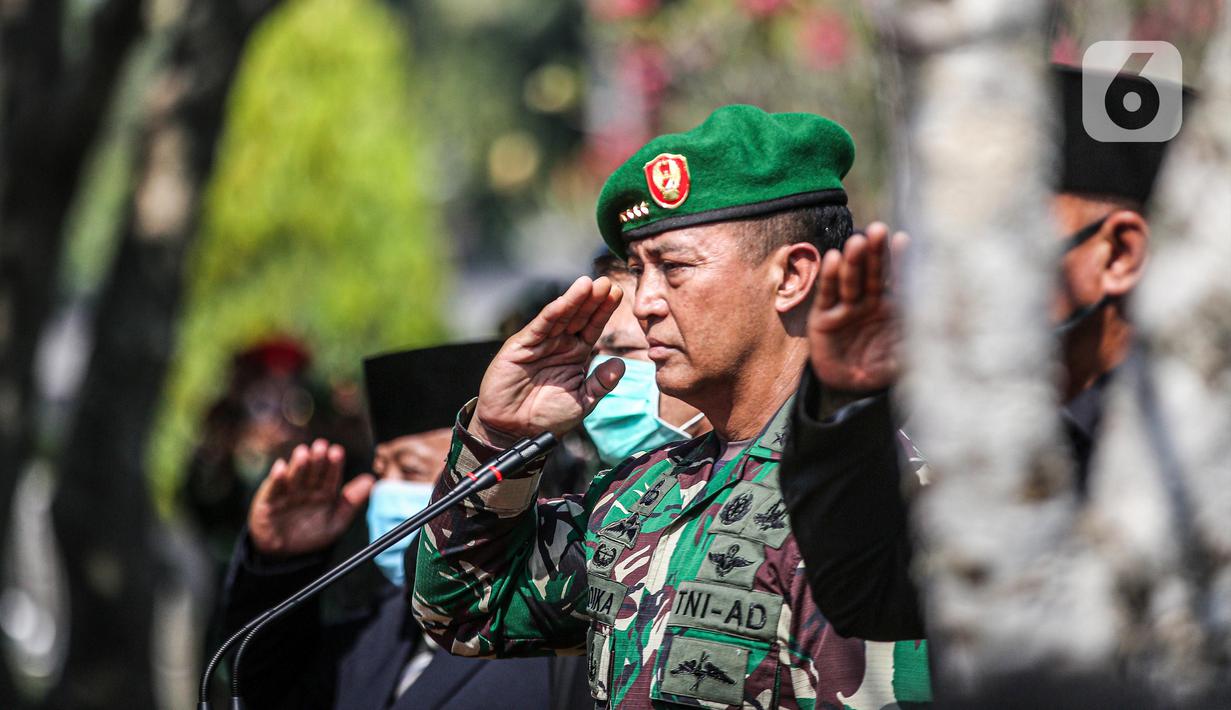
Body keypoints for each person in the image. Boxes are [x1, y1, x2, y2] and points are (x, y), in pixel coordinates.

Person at [412, 105, 931, 709]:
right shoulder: (644, 493)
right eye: (638, 271)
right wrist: (497, 436)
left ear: (791, 275)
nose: (645, 303)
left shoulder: (878, 497)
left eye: (674, 268)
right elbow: (464, 611)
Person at [778, 66, 1194, 701]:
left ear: (1117, 255)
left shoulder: (1200, 451)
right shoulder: (998, 431)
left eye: (1004, 228)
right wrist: (849, 397)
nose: (967, 261)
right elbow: (870, 595)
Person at [219, 341, 576, 709]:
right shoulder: (382, 624)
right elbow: (267, 691)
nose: (388, 489)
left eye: (409, 470)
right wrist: (283, 562)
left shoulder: (555, 624)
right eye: (380, 471)